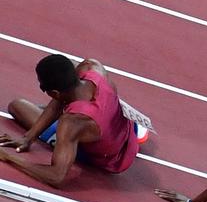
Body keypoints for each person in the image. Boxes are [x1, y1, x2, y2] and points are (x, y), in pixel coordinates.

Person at [0, 54, 148, 187]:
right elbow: (62, 96)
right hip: (125, 127)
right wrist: (28, 138)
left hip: (110, 159)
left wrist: (9, 157)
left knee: (17, 106)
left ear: (54, 93)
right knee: (65, 100)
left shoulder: (70, 124)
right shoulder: (92, 66)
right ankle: (136, 131)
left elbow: (56, 176)